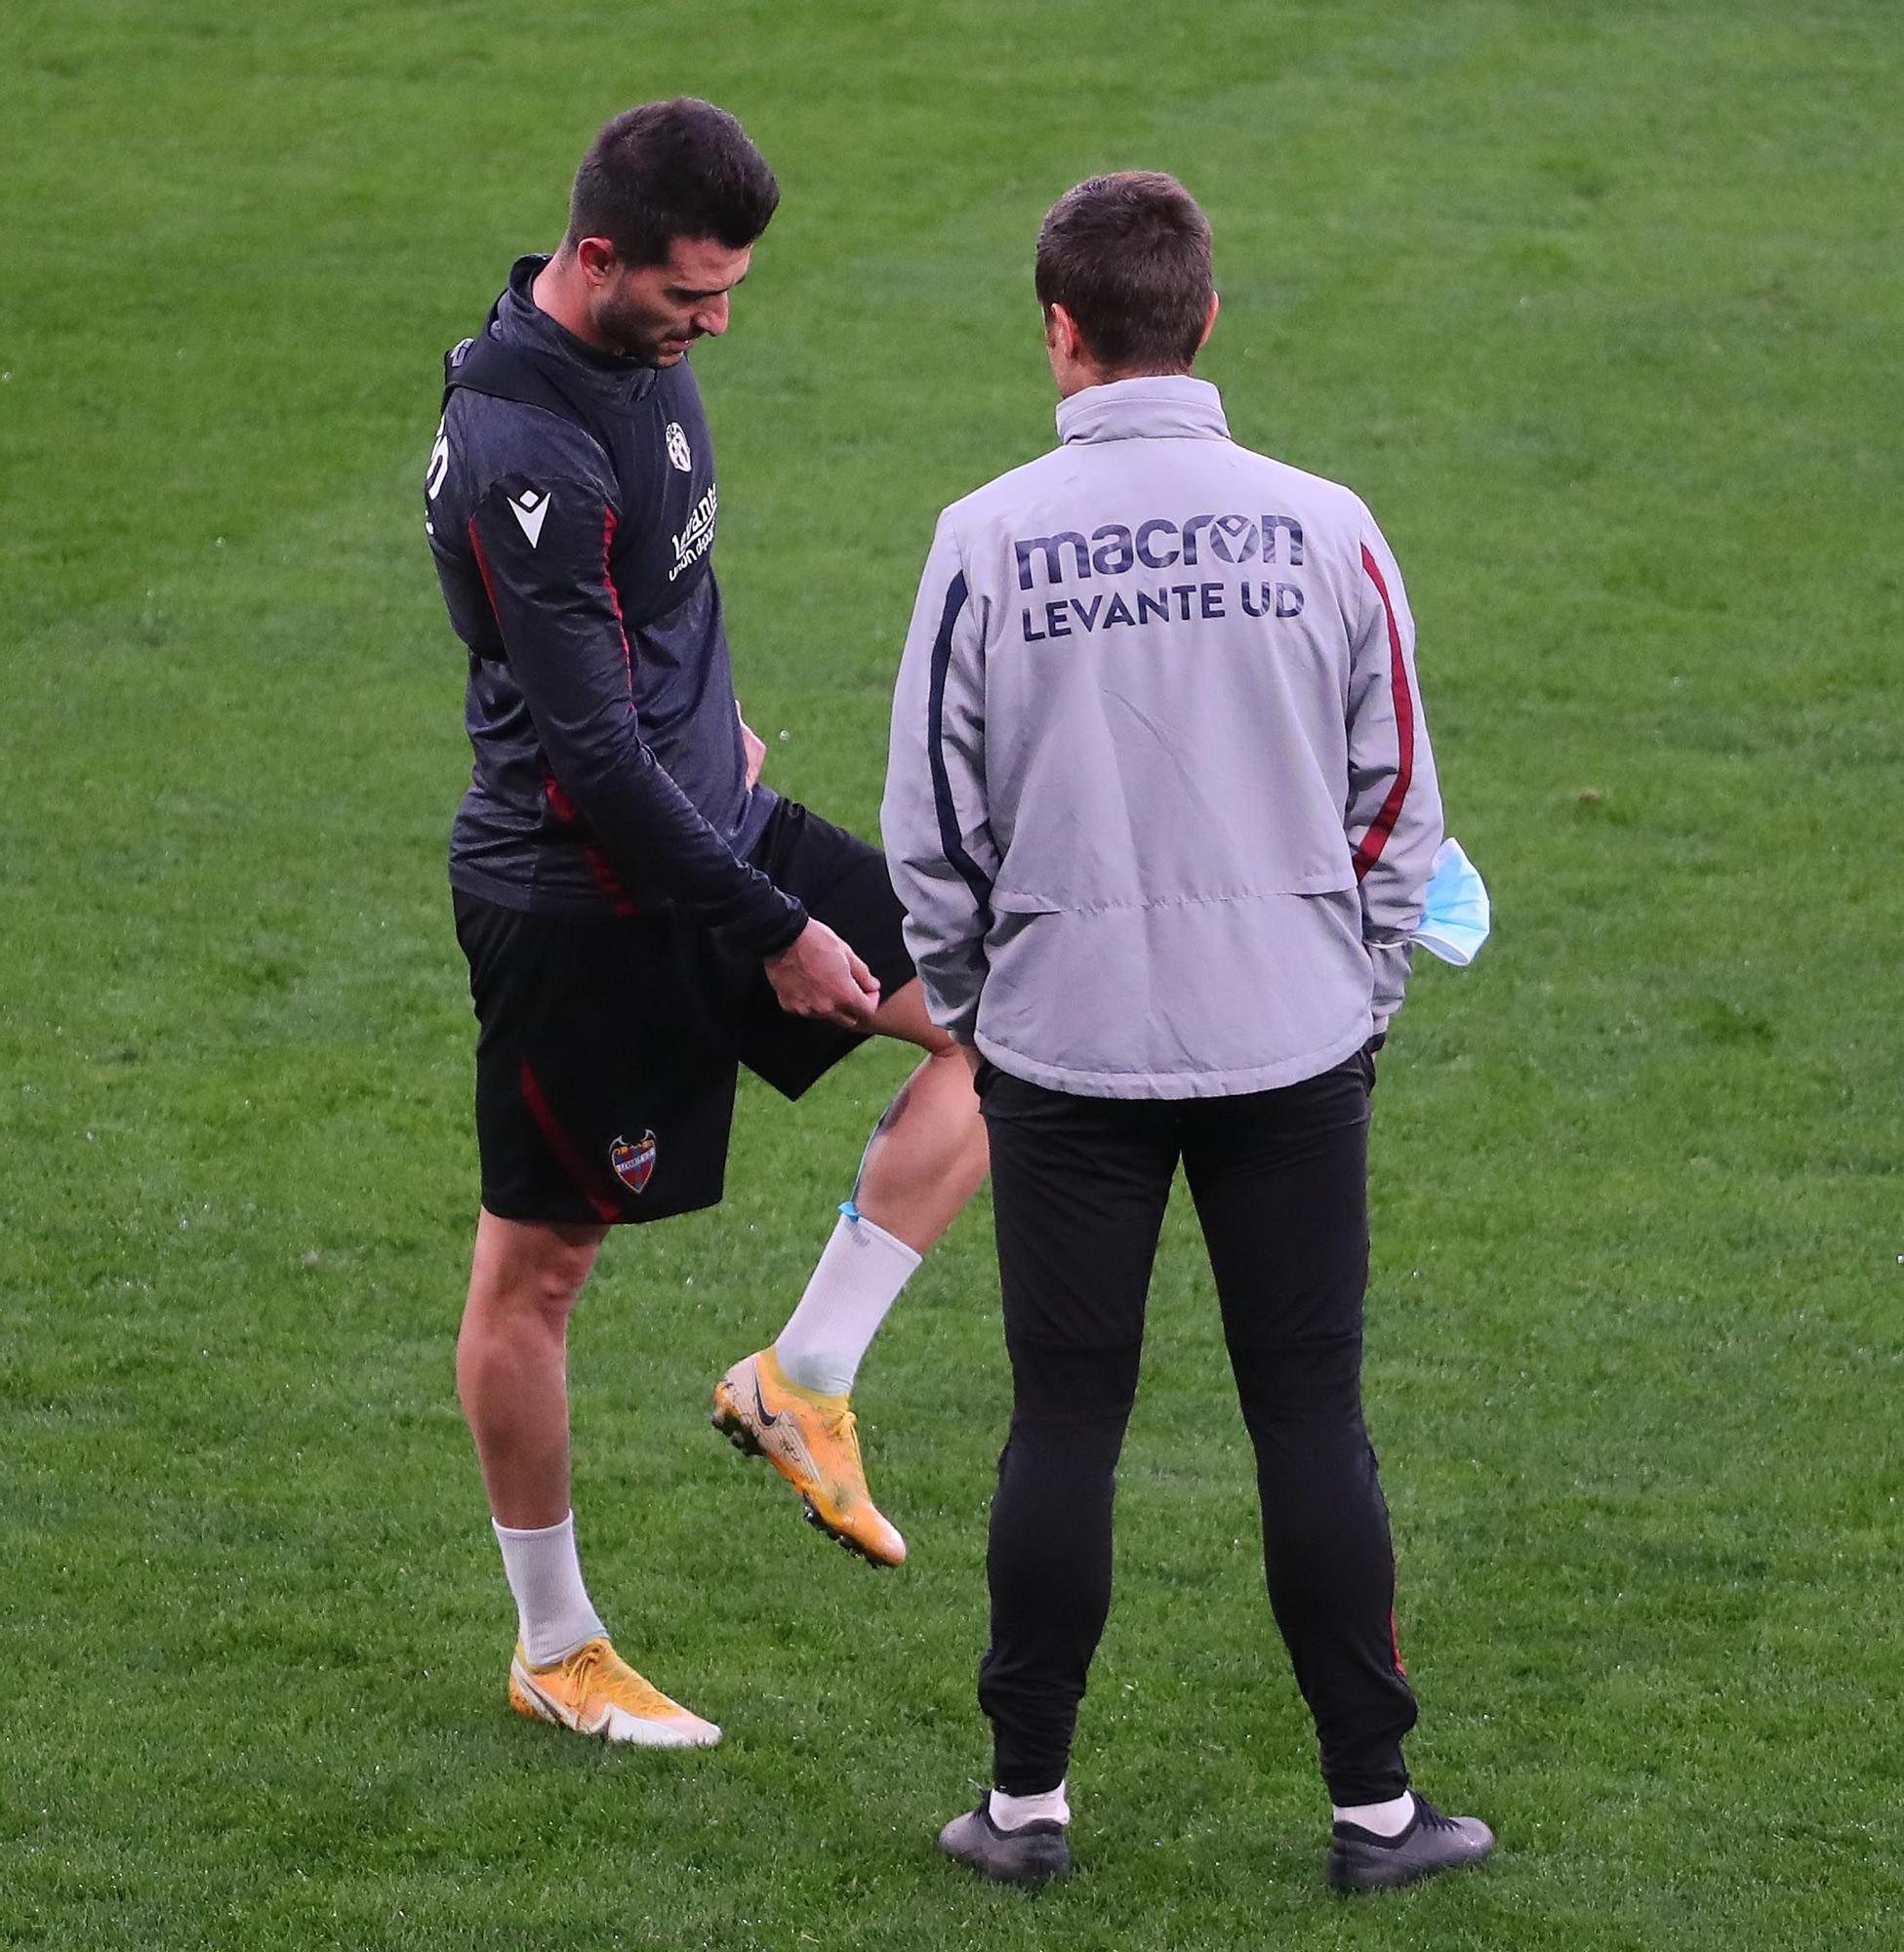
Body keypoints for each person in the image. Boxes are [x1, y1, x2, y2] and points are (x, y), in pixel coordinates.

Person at [882, 172, 1493, 1890]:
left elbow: (933, 823)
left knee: (1062, 1424)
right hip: (1295, 1044)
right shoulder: (1328, 520)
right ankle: (1377, 1812)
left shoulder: (984, 534)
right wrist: (1357, 988)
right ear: (1206, 317)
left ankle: (1023, 1808)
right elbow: (1401, 807)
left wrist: (992, 1006)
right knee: (1312, 1420)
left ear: (1059, 331)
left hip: (1067, 1050)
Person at [425, 100, 987, 1748]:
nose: (718, 321)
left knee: (1021, 1015)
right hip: (582, 907)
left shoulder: (636, 349)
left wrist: (713, 734)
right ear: (598, 261)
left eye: (729, 289)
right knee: (539, 1275)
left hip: (710, 827)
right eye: (693, 294)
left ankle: (801, 1377)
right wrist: (779, 928)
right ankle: (556, 1644)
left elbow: (666, 614)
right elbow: (586, 754)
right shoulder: (520, 448)